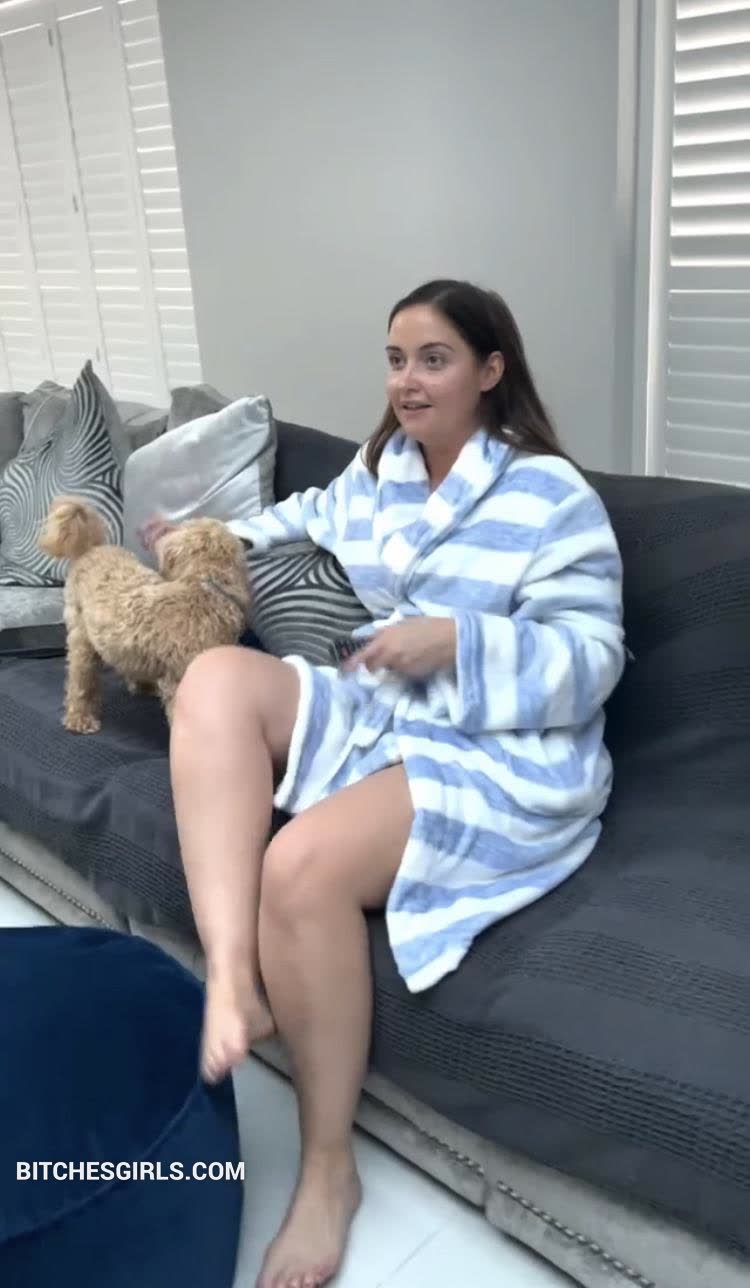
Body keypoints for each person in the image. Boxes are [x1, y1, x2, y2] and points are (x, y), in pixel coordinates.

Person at [141, 279, 625, 1288]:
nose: (408, 381)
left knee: (300, 865)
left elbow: (592, 661)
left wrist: (460, 641)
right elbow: (300, 516)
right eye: (397, 359)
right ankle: (233, 978)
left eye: (434, 359)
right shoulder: (381, 472)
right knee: (214, 678)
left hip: (506, 747)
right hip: (387, 709)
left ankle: (328, 1171)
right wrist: (205, 540)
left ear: (491, 370)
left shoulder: (551, 496)